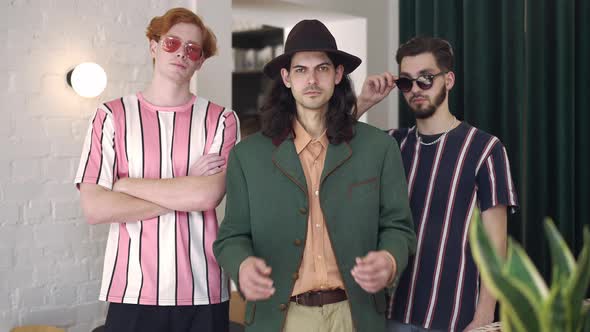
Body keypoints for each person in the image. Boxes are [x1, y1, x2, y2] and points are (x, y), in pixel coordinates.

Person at [213, 19, 416, 332]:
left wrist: (389, 260)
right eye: (300, 70)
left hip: (356, 315)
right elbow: (231, 236)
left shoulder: (379, 148)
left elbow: (398, 227)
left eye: (321, 68)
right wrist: (242, 265)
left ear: (337, 75)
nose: (311, 79)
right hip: (280, 319)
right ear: (286, 78)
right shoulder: (247, 156)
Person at [74, 8, 239, 332]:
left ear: (200, 61)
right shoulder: (110, 116)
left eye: (192, 49)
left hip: (203, 289)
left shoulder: (221, 120)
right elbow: (95, 208)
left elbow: (208, 195)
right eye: (172, 42)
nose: (181, 53)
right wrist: (185, 187)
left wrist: (124, 185)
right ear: (154, 45)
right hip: (132, 290)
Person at [356, 36, 519, 332]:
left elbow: (496, 247)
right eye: (406, 82)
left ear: (449, 79)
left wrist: (484, 317)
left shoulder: (485, 149)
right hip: (390, 314)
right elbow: (326, 145)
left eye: (426, 79)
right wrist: (364, 101)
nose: (416, 89)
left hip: (455, 319)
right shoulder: (391, 144)